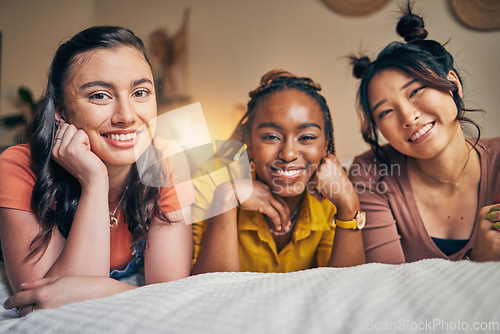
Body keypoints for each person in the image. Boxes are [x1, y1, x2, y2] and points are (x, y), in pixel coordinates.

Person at [0, 26, 195, 316]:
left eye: (140, 92)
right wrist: (94, 182)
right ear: (61, 112)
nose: (127, 116)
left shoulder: (167, 159)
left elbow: (171, 291)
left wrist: (99, 290)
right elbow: (39, 306)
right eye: (100, 96)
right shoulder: (17, 165)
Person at [348, 4, 500, 264]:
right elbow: (384, 287)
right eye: (385, 112)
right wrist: (479, 261)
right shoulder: (370, 173)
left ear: (453, 84)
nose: (408, 117)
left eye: (415, 91)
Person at [191, 70, 365, 274]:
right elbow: (207, 292)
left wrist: (349, 205)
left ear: (326, 144)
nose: (289, 154)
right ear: (249, 142)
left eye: (307, 137)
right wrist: (226, 198)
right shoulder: (211, 179)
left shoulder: (331, 191)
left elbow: (347, 289)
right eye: (272, 137)